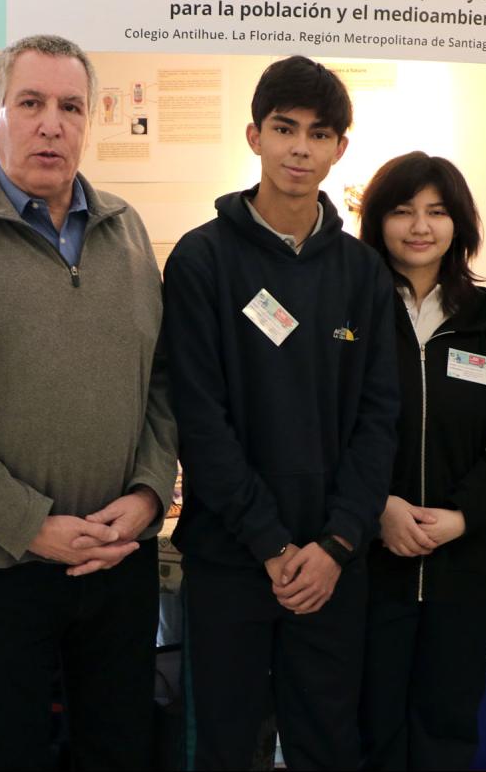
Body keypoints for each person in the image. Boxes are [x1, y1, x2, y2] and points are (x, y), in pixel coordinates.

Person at [0, 34, 177, 770]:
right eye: (31, 103)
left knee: (121, 751)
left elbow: (163, 381)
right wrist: (30, 524)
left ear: (90, 118)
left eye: (70, 106)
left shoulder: (127, 232)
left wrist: (147, 495)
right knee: (9, 754)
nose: (52, 123)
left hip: (118, 559)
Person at [164, 55, 400, 770]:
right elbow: (199, 420)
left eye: (319, 133)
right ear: (254, 135)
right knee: (227, 744)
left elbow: (378, 418)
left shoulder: (362, 273)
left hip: (333, 564)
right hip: (231, 561)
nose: (301, 147)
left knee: (327, 743)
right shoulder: (201, 261)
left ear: (340, 148)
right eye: (284, 128)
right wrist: (270, 544)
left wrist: (333, 546)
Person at [355, 152, 486, 770]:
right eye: (402, 211)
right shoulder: (353, 308)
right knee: (371, 726)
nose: (420, 226)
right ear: (377, 221)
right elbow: (327, 429)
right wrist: (378, 508)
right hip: (370, 561)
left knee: (449, 728)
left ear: (460, 224)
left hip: (465, 566)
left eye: (436, 211)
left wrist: (461, 516)